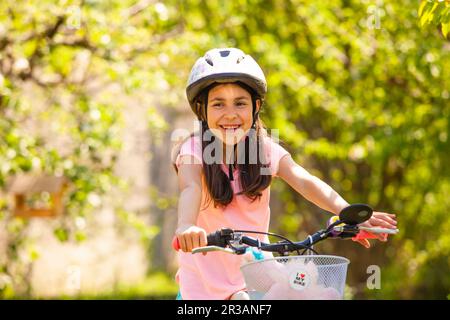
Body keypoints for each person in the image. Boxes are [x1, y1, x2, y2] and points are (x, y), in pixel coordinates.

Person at [172, 48, 397, 300]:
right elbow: (190, 187)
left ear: (256, 106)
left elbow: (305, 180)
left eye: (240, 103)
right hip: (204, 283)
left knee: (320, 295)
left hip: (256, 273)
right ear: (202, 111)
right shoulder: (193, 149)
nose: (231, 113)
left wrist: (347, 213)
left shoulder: (264, 150)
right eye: (218, 104)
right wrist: (187, 226)